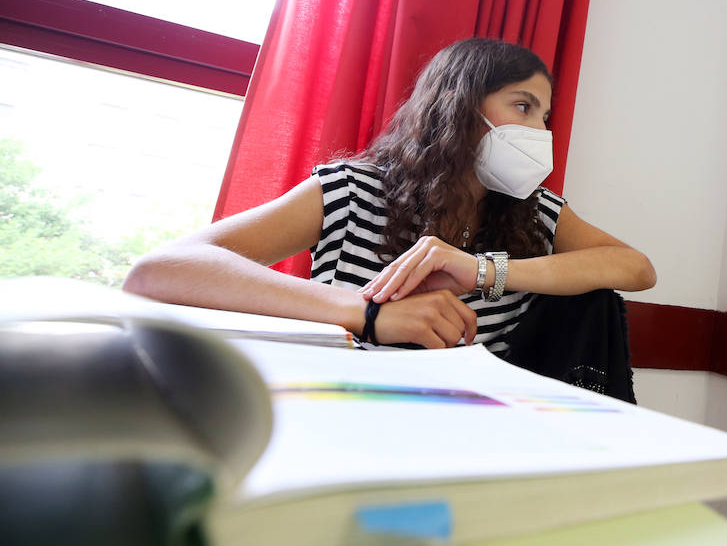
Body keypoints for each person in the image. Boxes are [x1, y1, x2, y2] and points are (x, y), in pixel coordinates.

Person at [124, 38, 656, 354]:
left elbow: (635, 268)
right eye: (522, 106)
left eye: (544, 115)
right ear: (460, 106)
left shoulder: (536, 213)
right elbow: (160, 270)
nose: (539, 131)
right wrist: (368, 312)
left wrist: (482, 272)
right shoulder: (352, 190)